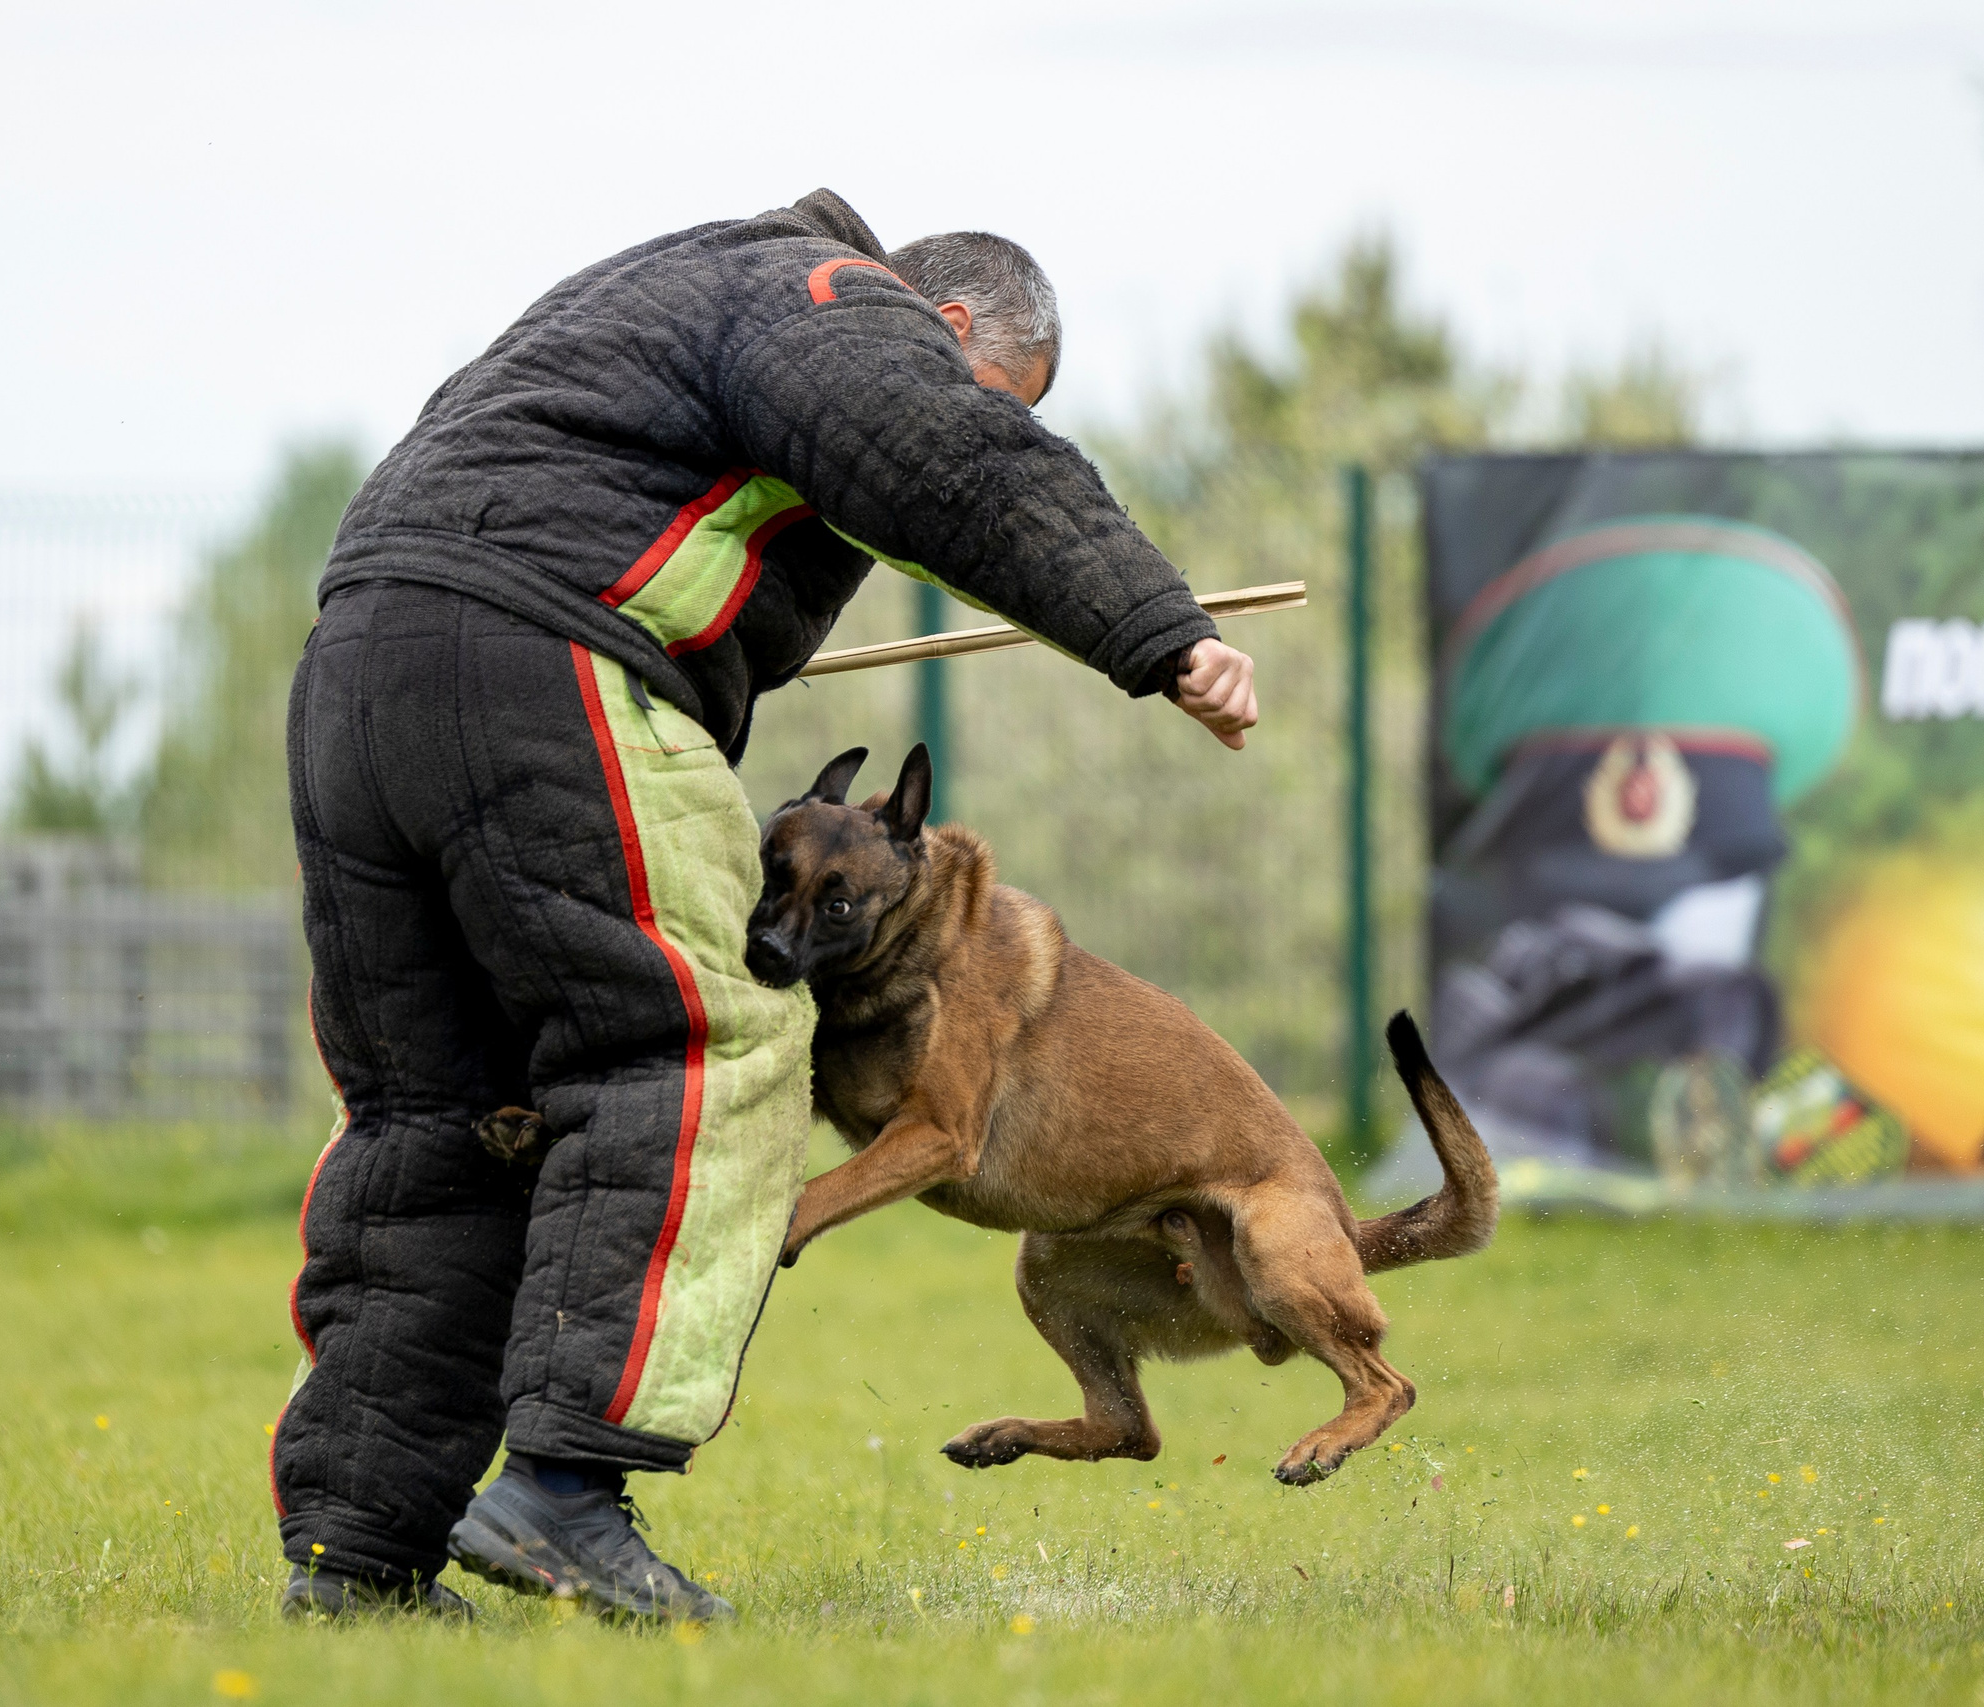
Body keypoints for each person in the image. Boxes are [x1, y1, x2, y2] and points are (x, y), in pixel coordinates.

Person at [273, 189, 1259, 1624]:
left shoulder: (666, 288)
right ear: (955, 321)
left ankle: (355, 1560)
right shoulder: (836, 300)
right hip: (540, 672)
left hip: (362, 676)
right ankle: (561, 1496)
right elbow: (945, 458)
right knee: (701, 1047)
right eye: (1002, 395)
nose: (988, 415)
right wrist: (1158, 628)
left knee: (449, 1119)